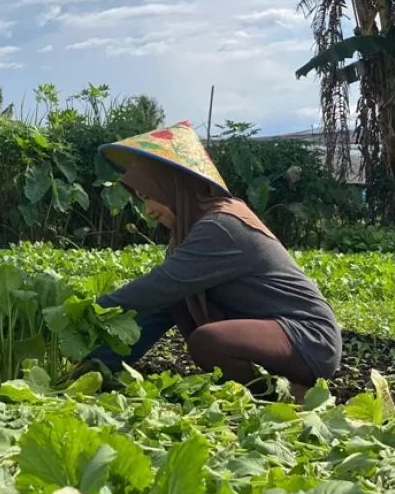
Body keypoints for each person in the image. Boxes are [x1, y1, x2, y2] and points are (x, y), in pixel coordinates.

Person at [90, 121, 342, 400]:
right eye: (141, 200)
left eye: (150, 197)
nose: (148, 210)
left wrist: (88, 312)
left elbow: (158, 286)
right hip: (275, 336)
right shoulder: (189, 234)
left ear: (172, 186)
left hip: (308, 339)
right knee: (176, 302)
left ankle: (285, 395)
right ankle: (271, 385)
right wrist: (96, 366)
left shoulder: (222, 224)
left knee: (208, 342)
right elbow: (156, 310)